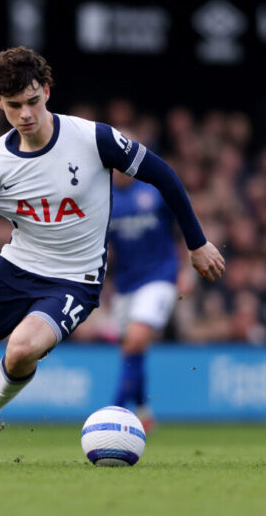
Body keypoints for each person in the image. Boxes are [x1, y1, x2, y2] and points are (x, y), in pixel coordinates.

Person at [0, 47, 225, 466]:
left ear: (46, 90)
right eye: (14, 105)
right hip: (13, 269)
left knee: (21, 349)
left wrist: (196, 242)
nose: (25, 114)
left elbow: (164, 175)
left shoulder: (92, 138)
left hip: (75, 280)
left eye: (32, 101)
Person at [109, 172, 180, 432]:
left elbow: (181, 226)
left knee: (136, 339)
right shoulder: (103, 195)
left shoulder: (154, 190)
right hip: (125, 283)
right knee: (131, 351)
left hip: (159, 276)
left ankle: (113, 412)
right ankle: (143, 411)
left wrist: (187, 269)